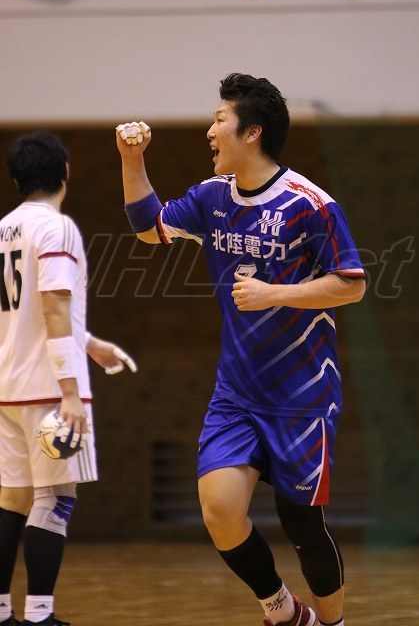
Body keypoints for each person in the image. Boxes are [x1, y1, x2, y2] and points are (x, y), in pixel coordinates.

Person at [115, 73, 366, 626]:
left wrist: (275, 293)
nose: (210, 131)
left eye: (219, 120)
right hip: (237, 394)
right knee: (220, 510)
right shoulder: (213, 198)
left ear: (252, 132)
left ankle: (334, 623)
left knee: (302, 526)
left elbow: (351, 284)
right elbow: (148, 227)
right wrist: (132, 159)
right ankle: (283, 610)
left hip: (302, 397)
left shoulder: (310, 205)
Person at [0, 132, 137, 626]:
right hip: (48, 391)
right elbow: (55, 307)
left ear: (17, 179)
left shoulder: (3, 229)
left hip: (8, 389)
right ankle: (40, 615)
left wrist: (89, 343)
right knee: (56, 497)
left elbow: (28, 312)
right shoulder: (57, 228)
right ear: (65, 173)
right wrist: (70, 392)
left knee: (12, 498)